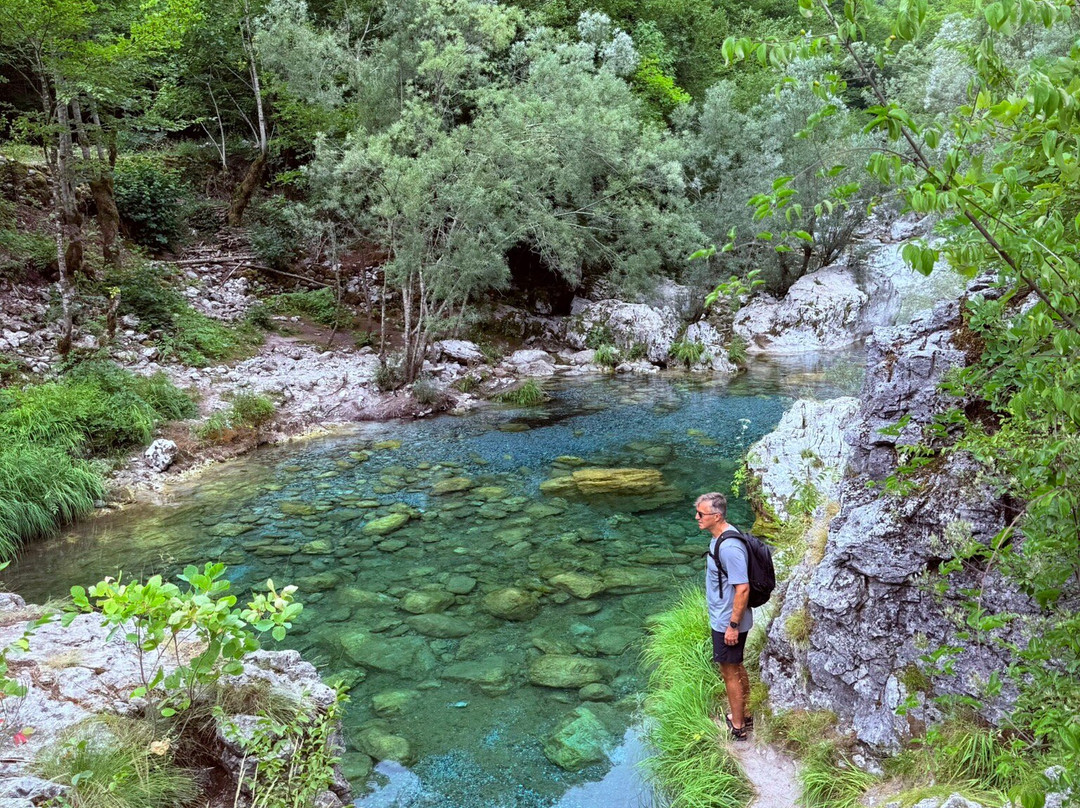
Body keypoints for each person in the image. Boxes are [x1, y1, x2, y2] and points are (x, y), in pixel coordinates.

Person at [696, 491, 753, 741]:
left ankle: (738, 725)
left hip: (728, 622)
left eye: (701, 514)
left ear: (716, 516)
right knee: (736, 665)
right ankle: (745, 713)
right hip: (725, 618)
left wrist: (732, 625)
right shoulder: (721, 537)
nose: (696, 517)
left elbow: (743, 588)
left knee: (729, 672)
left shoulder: (729, 547)